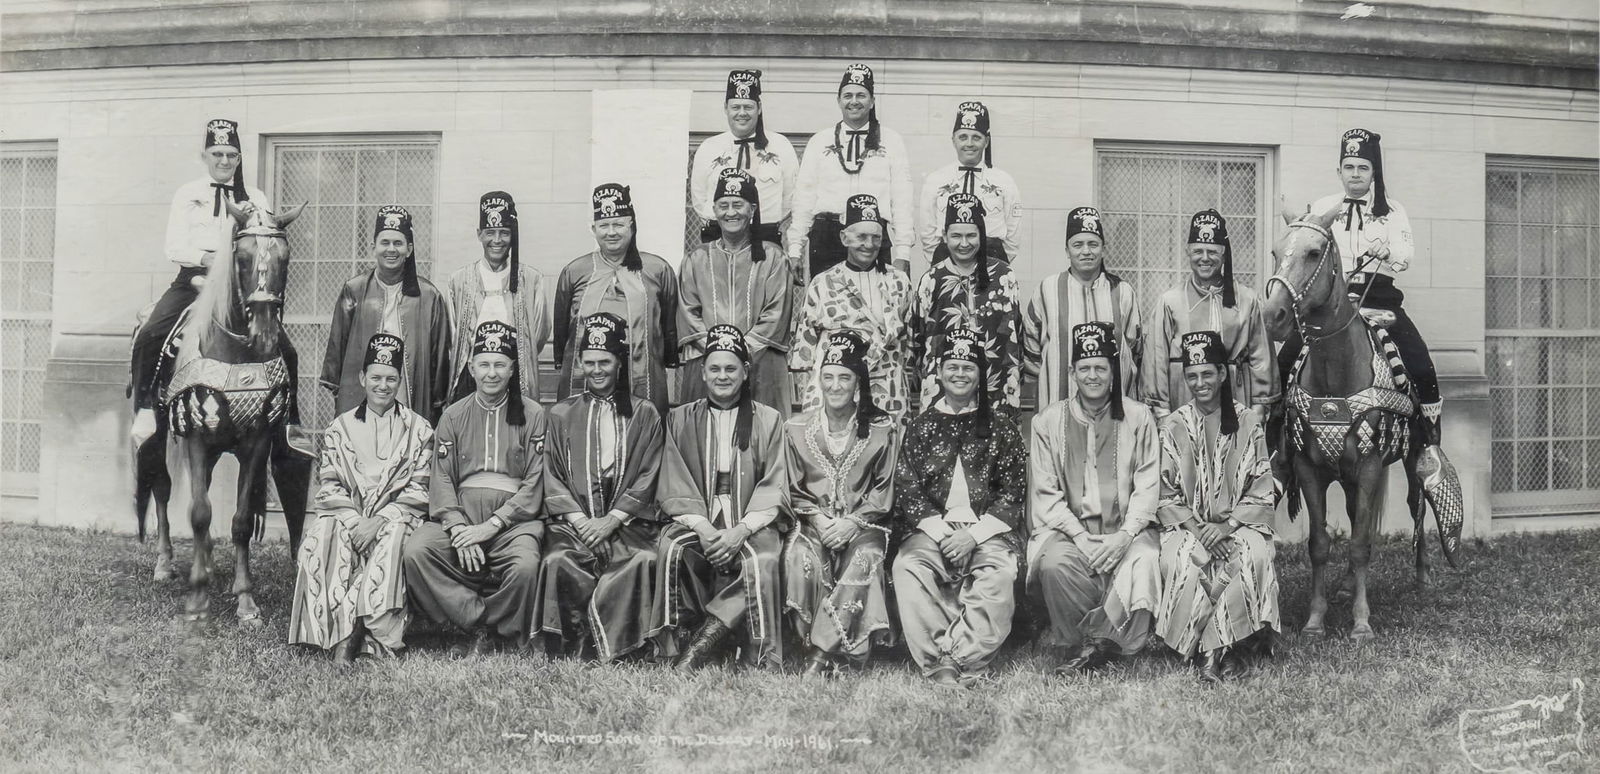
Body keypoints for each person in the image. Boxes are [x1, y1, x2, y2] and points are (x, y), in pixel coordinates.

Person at [131, 118, 308, 454]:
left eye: (231, 155)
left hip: (239, 289)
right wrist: (207, 257)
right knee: (151, 334)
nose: (224, 161)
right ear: (205, 155)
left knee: (288, 350)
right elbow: (173, 246)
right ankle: (145, 408)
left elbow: (264, 243)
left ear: (239, 158)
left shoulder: (255, 196)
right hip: (194, 281)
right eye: (217, 153)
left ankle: (290, 423)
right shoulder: (188, 193)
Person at [1280, 128, 1442, 470]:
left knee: (1420, 361)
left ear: (1373, 173)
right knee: (1286, 358)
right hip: (1331, 302)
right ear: (1339, 171)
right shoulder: (1323, 207)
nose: (1355, 174)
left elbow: (1407, 255)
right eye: (1349, 167)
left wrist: (1388, 251)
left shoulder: (1392, 210)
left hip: (1379, 297)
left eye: (1363, 168)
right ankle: (1279, 442)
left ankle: (1429, 445)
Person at [402, 321, 548, 656]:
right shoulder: (453, 415)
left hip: (514, 520)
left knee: (525, 567)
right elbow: (441, 477)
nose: (491, 373)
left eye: (500, 364)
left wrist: (491, 526)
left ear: (513, 369)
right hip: (463, 514)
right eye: (484, 364)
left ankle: (494, 629)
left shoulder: (533, 414)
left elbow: (535, 480)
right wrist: (457, 527)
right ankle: (477, 624)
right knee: (417, 552)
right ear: (471, 367)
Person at [892, 329, 1026, 687]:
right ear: (939, 372)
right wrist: (940, 533)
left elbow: (1013, 491)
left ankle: (966, 656)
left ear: (981, 375)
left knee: (997, 575)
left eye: (969, 367)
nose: (960, 374)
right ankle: (938, 659)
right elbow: (908, 488)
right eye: (953, 366)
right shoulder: (921, 427)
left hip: (986, 529)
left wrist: (973, 536)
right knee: (908, 567)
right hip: (931, 529)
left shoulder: (1001, 427)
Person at [1027, 321, 1162, 675]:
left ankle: (1106, 645)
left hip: (1126, 533)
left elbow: (1148, 484)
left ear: (1113, 372)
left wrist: (1124, 536)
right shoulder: (1047, 423)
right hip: (1072, 534)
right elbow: (1046, 494)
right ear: (1072, 372)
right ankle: (1081, 643)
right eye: (1084, 368)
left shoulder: (1139, 417)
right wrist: (1082, 539)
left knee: (1146, 560)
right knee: (1054, 565)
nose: (1092, 376)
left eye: (1100, 367)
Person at [651, 325, 789, 670]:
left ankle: (711, 644)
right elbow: (673, 479)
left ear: (745, 371)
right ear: (702, 372)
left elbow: (776, 481)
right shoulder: (681, 418)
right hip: (700, 515)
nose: (722, 376)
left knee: (763, 560)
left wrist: (740, 530)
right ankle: (678, 641)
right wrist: (702, 528)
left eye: (731, 368)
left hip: (750, 517)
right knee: (673, 550)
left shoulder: (769, 420)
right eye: (715, 368)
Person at [289, 333, 433, 662]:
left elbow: (420, 489)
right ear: (362, 378)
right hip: (348, 516)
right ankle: (328, 632)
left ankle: (362, 635)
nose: (383, 386)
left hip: (396, 517)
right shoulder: (339, 429)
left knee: (393, 540)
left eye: (391, 379)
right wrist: (356, 523)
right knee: (322, 536)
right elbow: (329, 486)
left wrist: (379, 521)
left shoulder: (420, 430)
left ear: (399, 381)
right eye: (376, 377)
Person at [1155, 330, 1281, 684]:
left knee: (1250, 557)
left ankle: (1220, 651)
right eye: (1192, 376)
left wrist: (1227, 528)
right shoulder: (1174, 425)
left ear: (1223, 374)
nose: (1200, 383)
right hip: (1189, 528)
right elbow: (1165, 493)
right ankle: (1215, 648)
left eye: (1208, 374)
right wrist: (1201, 531)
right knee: (1180, 560)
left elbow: (1261, 487)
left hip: (1238, 526)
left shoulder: (1248, 423)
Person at [539, 312, 666, 661]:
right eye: (589, 362)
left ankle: (618, 646)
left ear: (620, 363)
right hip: (575, 523)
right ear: (579, 363)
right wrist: (584, 523)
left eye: (605, 362)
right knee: (557, 559)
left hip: (628, 523)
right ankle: (573, 645)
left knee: (641, 559)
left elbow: (650, 473)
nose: (597, 370)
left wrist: (611, 522)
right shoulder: (562, 413)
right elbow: (552, 473)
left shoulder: (644, 414)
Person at [782, 330, 898, 676]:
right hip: (812, 523)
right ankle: (812, 645)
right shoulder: (796, 428)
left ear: (857, 382)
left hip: (864, 526)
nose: (835, 386)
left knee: (865, 559)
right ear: (819, 380)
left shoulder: (881, 429)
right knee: (803, 558)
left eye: (844, 377)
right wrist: (819, 521)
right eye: (828, 377)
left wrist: (852, 523)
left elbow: (883, 491)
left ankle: (822, 652)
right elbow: (791, 487)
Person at [553, 184, 680, 415]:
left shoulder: (657, 270)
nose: (611, 232)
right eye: (604, 225)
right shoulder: (575, 271)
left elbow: (669, 329)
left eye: (618, 224)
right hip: (587, 376)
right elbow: (562, 333)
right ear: (594, 228)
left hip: (642, 378)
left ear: (631, 226)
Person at [321, 205, 453, 425]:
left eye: (398, 243)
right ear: (373, 247)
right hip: (361, 396)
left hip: (410, 399)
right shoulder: (354, 289)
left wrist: (437, 403)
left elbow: (439, 361)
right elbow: (337, 348)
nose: (391, 249)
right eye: (385, 242)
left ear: (409, 249)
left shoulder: (429, 296)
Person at [678, 169, 794, 414]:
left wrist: (738, 353)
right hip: (707, 362)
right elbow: (688, 313)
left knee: (762, 438)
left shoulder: (773, 258)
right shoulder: (696, 259)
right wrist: (719, 354)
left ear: (752, 210)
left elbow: (776, 314)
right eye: (724, 205)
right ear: (715, 210)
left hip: (760, 361)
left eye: (738, 204)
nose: (731, 212)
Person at [789, 194, 915, 421]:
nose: (869, 244)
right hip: (837, 383)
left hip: (886, 383)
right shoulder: (823, 282)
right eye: (861, 237)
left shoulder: (899, 281)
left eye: (876, 237)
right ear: (844, 238)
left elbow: (910, 341)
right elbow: (805, 342)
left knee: (887, 447)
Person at [1143, 209, 1277, 420]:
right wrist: (1162, 414)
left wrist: (1258, 411)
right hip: (1184, 397)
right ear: (1188, 252)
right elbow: (1156, 360)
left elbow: (1261, 359)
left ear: (1224, 254)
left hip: (1236, 397)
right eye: (1198, 251)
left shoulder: (1248, 300)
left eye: (1212, 252)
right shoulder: (1170, 301)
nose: (1204, 258)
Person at [788, 63, 915, 279]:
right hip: (827, 236)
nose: (854, 101)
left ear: (872, 101)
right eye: (847, 95)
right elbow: (804, 198)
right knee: (826, 303)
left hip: (872, 236)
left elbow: (902, 200)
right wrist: (795, 248)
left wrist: (903, 252)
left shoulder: (891, 141)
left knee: (875, 304)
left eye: (861, 95)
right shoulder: (820, 141)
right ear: (838, 101)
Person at [910, 193, 1024, 412]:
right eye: (956, 236)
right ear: (945, 235)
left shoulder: (1003, 275)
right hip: (943, 387)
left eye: (971, 235)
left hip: (995, 382)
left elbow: (1015, 333)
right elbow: (917, 338)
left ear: (982, 235)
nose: (964, 244)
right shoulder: (931, 279)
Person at [1023, 206, 1145, 407]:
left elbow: (1136, 352)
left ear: (1104, 249)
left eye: (1093, 244)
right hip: (1057, 410)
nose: (1086, 251)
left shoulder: (1122, 292)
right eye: (1078, 245)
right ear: (1067, 250)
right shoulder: (1047, 290)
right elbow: (1030, 353)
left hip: (1115, 414)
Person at [445, 191, 550, 404]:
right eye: (490, 232)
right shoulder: (459, 280)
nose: (497, 240)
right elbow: (453, 335)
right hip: (470, 376)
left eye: (504, 232)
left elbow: (538, 334)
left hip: (516, 374)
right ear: (479, 234)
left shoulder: (531, 279)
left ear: (513, 235)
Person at [689, 69, 799, 256]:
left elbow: (791, 198)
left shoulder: (781, 146)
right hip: (718, 235)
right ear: (726, 108)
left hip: (765, 236)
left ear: (759, 108)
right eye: (736, 107)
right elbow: (699, 200)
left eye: (748, 107)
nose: (742, 113)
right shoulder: (709, 147)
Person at [916, 101, 1023, 264]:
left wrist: (999, 265)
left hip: (991, 258)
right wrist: (940, 264)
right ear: (953, 140)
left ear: (986, 141)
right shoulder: (936, 180)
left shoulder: (1003, 181)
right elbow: (927, 230)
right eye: (963, 137)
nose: (969, 144)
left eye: (976, 138)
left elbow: (1013, 231)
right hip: (947, 258)